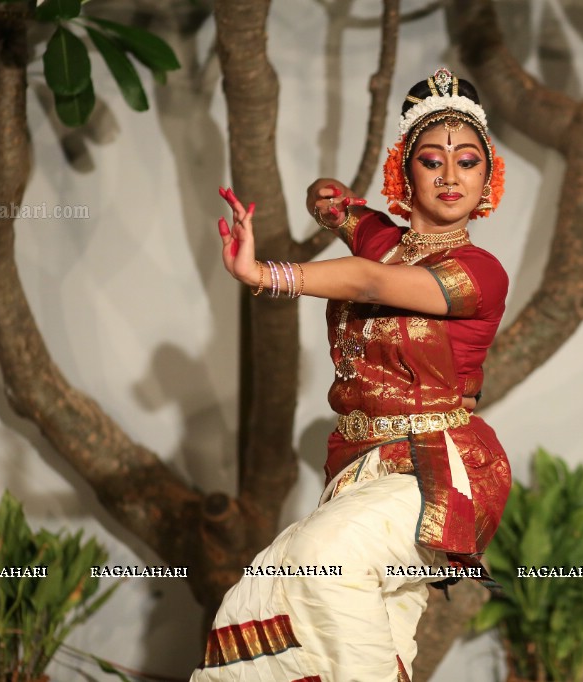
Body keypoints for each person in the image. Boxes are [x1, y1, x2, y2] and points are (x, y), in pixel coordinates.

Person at [192, 68, 511, 682]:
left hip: (439, 470)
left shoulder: (478, 271)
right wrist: (329, 198)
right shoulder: (381, 238)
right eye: (432, 161)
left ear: (486, 179)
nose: (450, 176)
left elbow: (368, 282)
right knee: (294, 598)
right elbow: (331, 202)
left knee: (323, 559)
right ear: (405, 173)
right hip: (360, 468)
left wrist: (265, 274)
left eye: (468, 162)